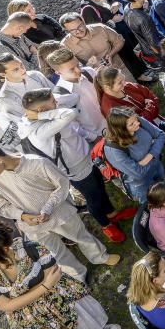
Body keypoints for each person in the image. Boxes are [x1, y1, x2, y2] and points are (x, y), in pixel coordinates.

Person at [0, 144, 121, 281]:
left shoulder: (37, 163)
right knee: (55, 253)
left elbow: (62, 185)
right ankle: (78, 275)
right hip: (31, 225)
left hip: (59, 212)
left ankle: (100, 257)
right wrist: (21, 215)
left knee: (81, 236)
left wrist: (48, 208)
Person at [18, 89, 134, 242]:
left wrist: (48, 107)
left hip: (87, 155)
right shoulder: (38, 131)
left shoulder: (53, 111)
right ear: (41, 111)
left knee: (100, 187)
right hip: (76, 168)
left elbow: (74, 98)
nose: (57, 103)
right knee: (93, 198)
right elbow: (69, 114)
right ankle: (106, 225)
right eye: (53, 102)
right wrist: (41, 115)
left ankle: (112, 214)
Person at [95, 66, 165, 182]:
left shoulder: (126, 86)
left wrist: (147, 110)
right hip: (139, 135)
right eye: (120, 82)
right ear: (107, 87)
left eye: (123, 78)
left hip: (153, 124)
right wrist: (149, 108)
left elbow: (150, 95)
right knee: (160, 154)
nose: (124, 83)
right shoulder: (109, 106)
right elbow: (137, 122)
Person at [103, 106, 165, 203]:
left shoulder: (135, 120)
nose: (138, 123)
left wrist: (150, 155)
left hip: (157, 167)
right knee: (155, 205)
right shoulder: (113, 150)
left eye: (136, 119)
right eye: (132, 124)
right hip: (142, 185)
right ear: (121, 129)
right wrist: (155, 150)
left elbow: (161, 134)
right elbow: (138, 174)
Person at [46, 48, 107, 139]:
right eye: (71, 69)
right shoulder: (60, 96)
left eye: (78, 65)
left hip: (121, 122)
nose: (78, 70)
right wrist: (94, 138)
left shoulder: (89, 72)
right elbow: (72, 125)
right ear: (58, 72)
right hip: (101, 136)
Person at [59, 13, 133, 79]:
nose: (78, 31)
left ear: (83, 21)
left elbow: (119, 41)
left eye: (80, 26)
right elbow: (72, 69)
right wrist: (89, 65)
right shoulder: (65, 45)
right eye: (73, 30)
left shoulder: (100, 28)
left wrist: (111, 54)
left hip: (120, 69)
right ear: (66, 30)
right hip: (99, 79)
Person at [0, 55, 58, 121]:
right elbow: (20, 122)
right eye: (16, 69)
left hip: (60, 113)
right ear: (2, 74)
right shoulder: (6, 98)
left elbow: (56, 93)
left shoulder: (35, 75)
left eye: (21, 65)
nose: (22, 70)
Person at [122, 0, 163, 65]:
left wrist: (145, 9)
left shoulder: (127, 8)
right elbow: (153, 42)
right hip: (155, 53)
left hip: (145, 49)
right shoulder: (143, 18)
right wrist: (163, 53)